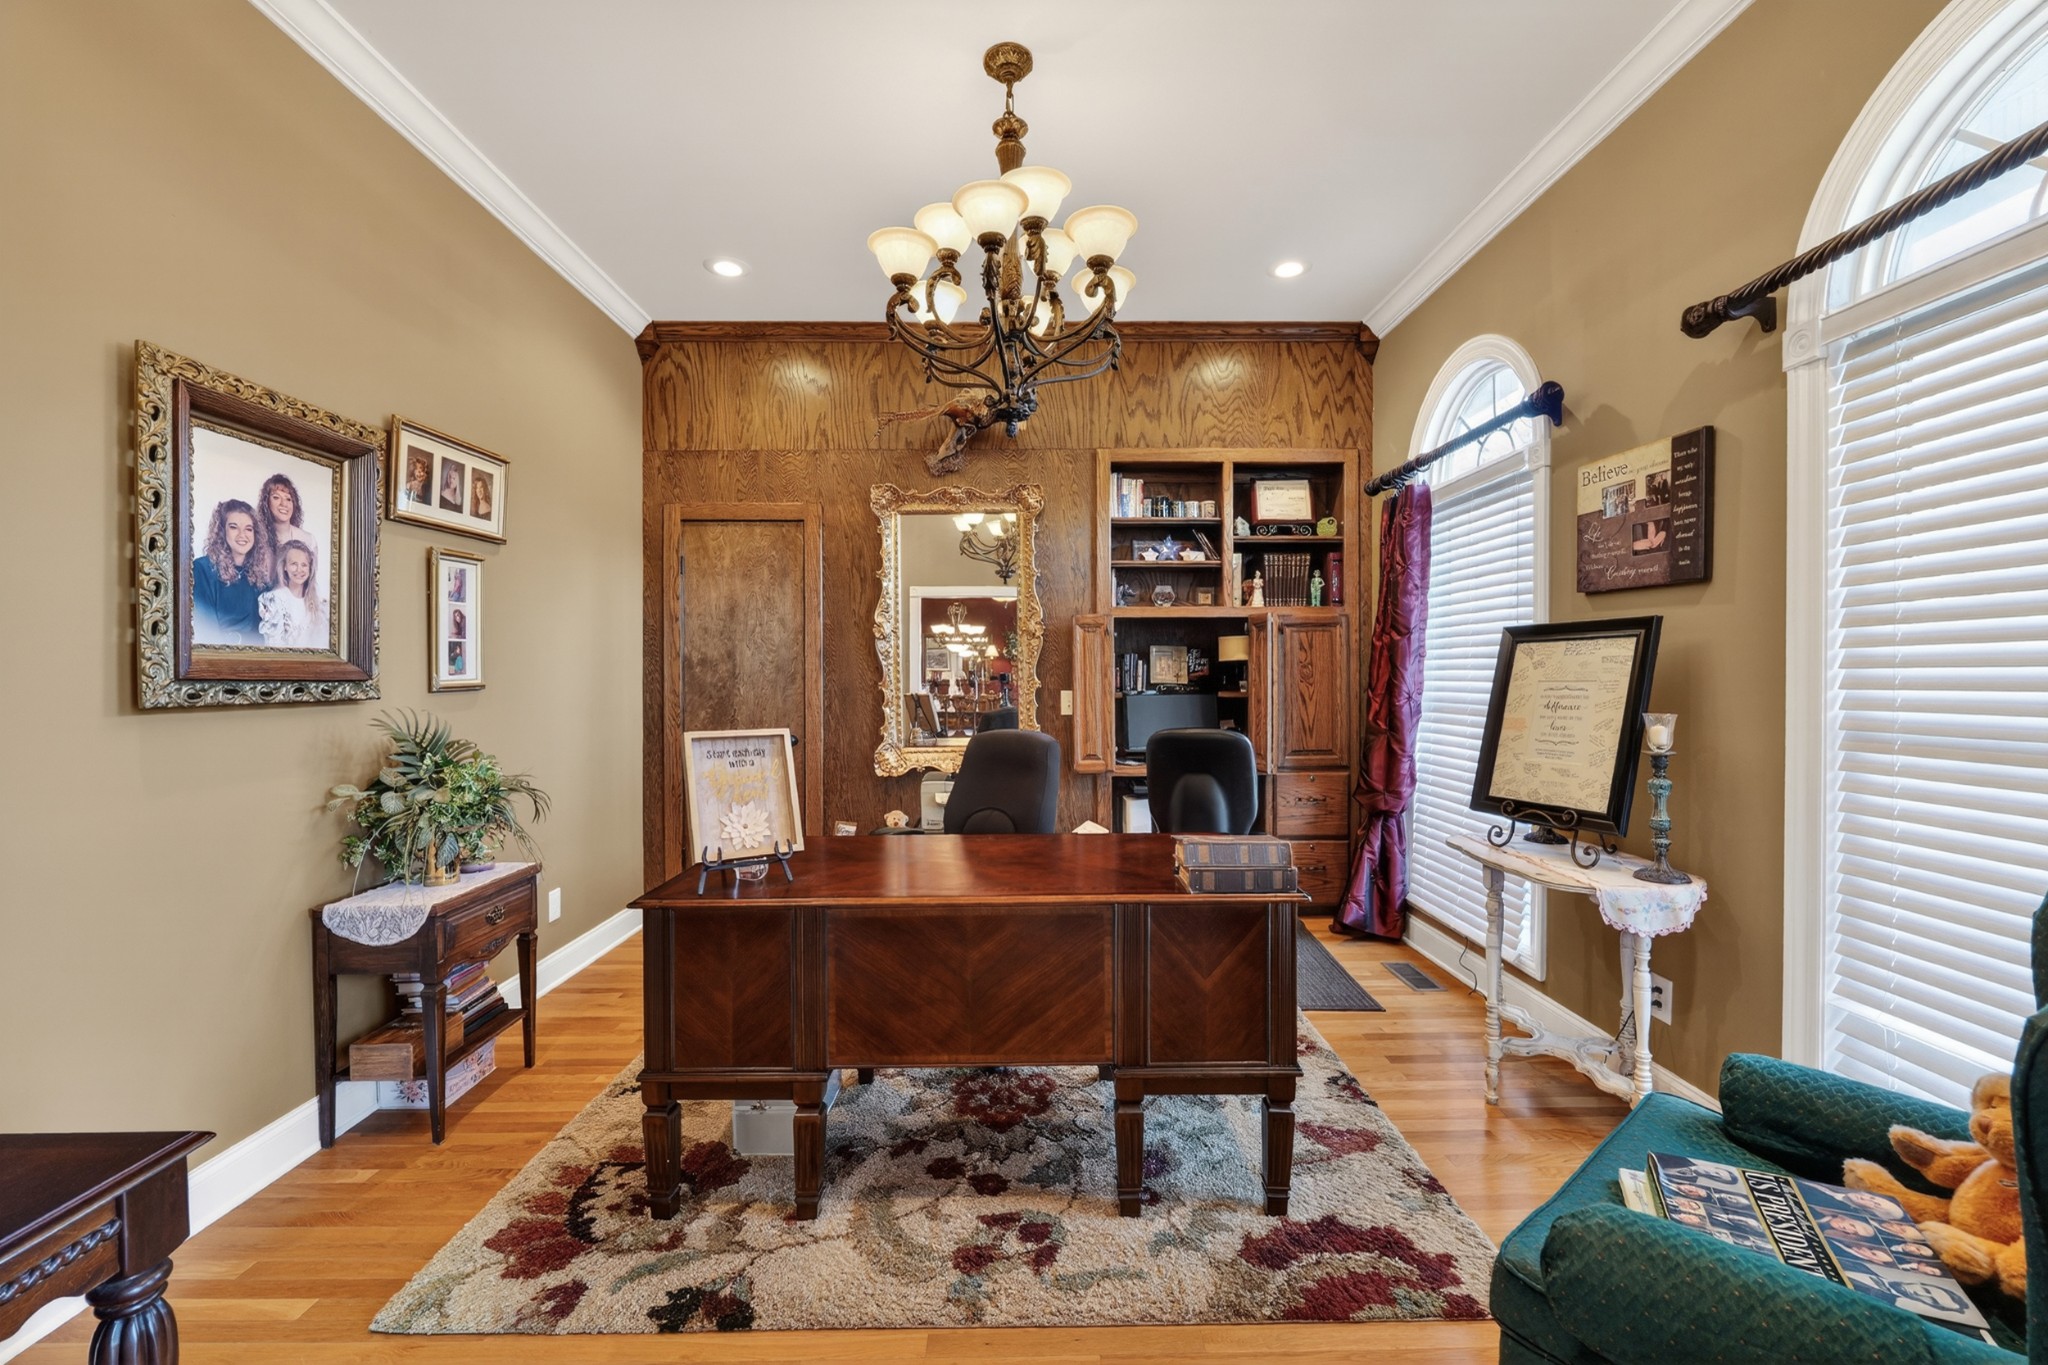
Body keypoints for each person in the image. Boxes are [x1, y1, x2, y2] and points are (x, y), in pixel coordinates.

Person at [192, 499, 270, 644]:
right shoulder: (202, 569)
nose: (242, 535)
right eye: (234, 527)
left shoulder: (260, 577)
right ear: (222, 531)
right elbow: (206, 633)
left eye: (248, 529)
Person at [258, 539, 327, 648]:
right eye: (294, 564)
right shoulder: (275, 599)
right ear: (285, 566)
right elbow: (273, 646)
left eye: (304, 565)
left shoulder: (319, 602)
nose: (299, 570)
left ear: (309, 568)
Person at [259, 471, 322, 563]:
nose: (284, 504)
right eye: (276, 497)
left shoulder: (308, 540)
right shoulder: (257, 538)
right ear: (266, 503)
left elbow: (312, 576)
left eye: (288, 499)